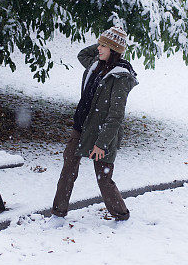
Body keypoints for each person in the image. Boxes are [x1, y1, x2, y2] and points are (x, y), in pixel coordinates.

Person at [51, 26, 139, 222]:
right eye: (98, 44)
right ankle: (57, 214)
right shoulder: (95, 65)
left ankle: (121, 216)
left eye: (103, 46)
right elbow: (83, 53)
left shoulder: (121, 77)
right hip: (80, 129)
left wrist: (102, 143)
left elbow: (116, 116)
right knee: (68, 172)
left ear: (114, 50)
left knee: (104, 179)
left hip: (102, 135)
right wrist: (106, 41)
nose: (98, 48)